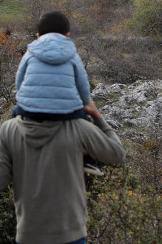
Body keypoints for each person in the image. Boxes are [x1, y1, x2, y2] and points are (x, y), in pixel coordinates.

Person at [0, 99, 124, 244]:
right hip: (69, 235)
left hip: (28, 236)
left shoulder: (9, 129)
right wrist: (96, 115)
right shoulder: (78, 127)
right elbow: (117, 154)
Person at [14, 10, 101, 175]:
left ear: (38, 35)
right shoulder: (73, 55)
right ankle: (89, 161)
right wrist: (85, 104)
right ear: (67, 35)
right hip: (66, 112)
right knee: (85, 121)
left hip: (31, 111)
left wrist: (22, 100)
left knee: (13, 119)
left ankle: (14, 153)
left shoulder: (29, 53)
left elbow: (19, 81)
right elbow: (82, 84)